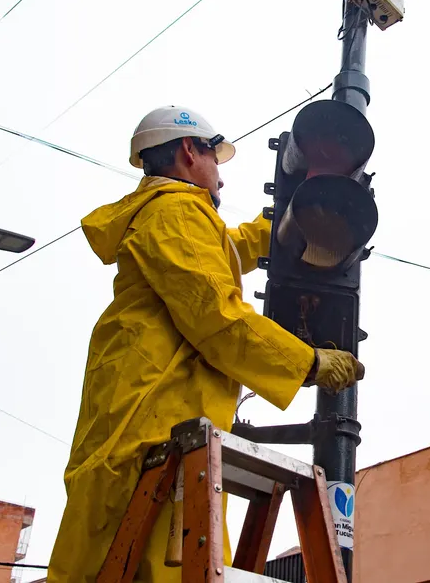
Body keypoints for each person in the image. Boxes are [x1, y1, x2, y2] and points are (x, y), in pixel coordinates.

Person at [47, 106, 364, 582]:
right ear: (190, 150)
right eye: (215, 157)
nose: (220, 174)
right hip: (155, 425)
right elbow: (215, 315)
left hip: (158, 423)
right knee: (163, 567)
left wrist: (283, 228)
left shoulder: (176, 220)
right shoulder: (174, 213)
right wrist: (308, 361)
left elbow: (219, 256)